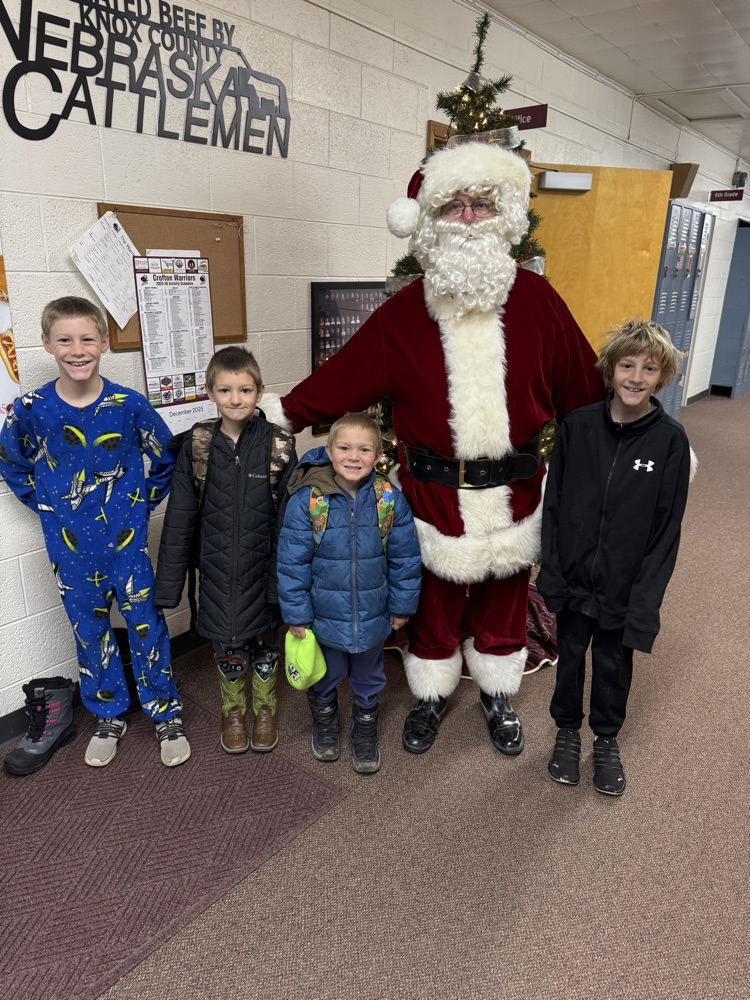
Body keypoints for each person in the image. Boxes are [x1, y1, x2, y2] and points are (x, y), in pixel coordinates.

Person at [261, 141, 605, 758]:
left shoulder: (538, 301)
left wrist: (639, 440)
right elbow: (343, 377)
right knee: (434, 603)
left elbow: (584, 390)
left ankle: (497, 692)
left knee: (504, 596)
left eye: (481, 205)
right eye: (455, 207)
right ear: (430, 221)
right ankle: (430, 694)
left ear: (504, 217)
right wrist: (276, 414)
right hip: (432, 493)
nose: (469, 218)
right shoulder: (402, 314)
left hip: (516, 489)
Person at [0, 296, 189, 773]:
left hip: (127, 546)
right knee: (90, 632)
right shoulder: (32, 409)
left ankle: (165, 713)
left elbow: (166, 456)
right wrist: (46, 506)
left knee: (146, 624)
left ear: (104, 343)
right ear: (46, 343)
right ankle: (108, 715)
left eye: (87, 338)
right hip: (71, 550)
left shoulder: (128, 405)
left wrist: (142, 503)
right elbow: (12, 461)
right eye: (64, 339)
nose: (77, 349)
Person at [536, 320, 692, 796]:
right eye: (628, 365)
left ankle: (605, 739)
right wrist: (554, 568)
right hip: (574, 573)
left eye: (649, 369)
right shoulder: (579, 428)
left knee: (612, 663)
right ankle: (566, 732)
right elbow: (556, 504)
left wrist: (645, 598)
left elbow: (667, 529)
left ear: (661, 376)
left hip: (625, 583)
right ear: (611, 368)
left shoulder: (669, 441)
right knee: (570, 658)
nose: (636, 377)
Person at [154, 347, 295, 754]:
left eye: (245, 390)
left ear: (260, 391)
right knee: (227, 646)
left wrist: (288, 586)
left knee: (267, 644)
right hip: (215, 574)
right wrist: (169, 589)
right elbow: (179, 518)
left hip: (264, 568)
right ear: (210, 392)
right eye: (225, 390)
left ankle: (264, 709)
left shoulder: (279, 446)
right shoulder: (198, 445)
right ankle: (233, 711)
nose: (235, 398)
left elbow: (291, 524)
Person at [277, 413, 421, 774]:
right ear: (329, 451)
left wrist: (401, 606)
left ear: (378, 455)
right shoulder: (309, 501)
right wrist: (296, 614)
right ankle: (325, 720)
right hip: (323, 616)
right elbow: (292, 562)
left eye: (364, 449)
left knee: (370, 676)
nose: (353, 457)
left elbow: (405, 558)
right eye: (344, 448)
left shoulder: (388, 499)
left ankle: (365, 726)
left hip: (374, 614)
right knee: (326, 674)